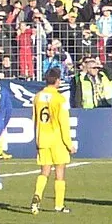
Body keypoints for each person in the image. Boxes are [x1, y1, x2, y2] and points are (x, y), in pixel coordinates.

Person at [30, 67, 75, 214]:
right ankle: (59, 205)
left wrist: (37, 139)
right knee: (60, 172)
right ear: (57, 81)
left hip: (43, 138)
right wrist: (69, 144)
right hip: (57, 140)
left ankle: (37, 196)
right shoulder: (60, 99)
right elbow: (64, 122)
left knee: (44, 172)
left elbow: (35, 119)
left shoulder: (37, 97)